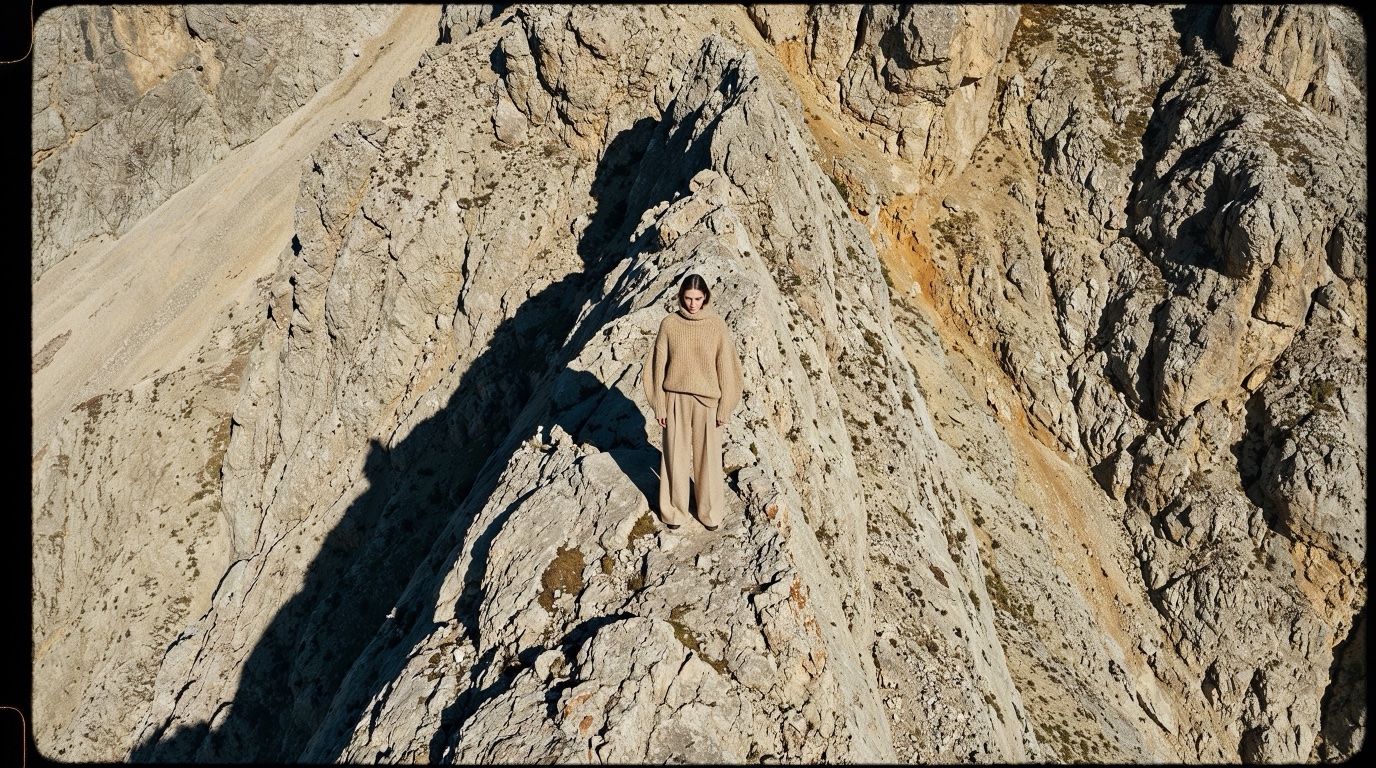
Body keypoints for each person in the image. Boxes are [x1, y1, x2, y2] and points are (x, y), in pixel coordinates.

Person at [641, 273, 744, 531]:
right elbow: (656, 367)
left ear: (706, 297)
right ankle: (675, 512)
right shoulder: (669, 325)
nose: (693, 304)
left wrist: (725, 406)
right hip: (675, 398)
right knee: (674, 456)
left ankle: (709, 513)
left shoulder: (716, 326)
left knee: (708, 459)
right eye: (688, 298)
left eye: (698, 298)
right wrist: (659, 404)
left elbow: (728, 369)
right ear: (680, 297)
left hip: (708, 402)